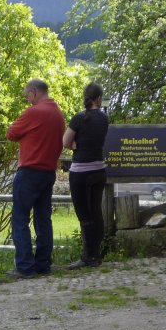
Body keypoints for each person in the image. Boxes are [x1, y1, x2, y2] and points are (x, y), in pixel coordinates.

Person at [6, 79, 65, 278]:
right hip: (48, 173)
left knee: (20, 218)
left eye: (27, 95)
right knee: (43, 219)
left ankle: (25, 266)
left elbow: (11, 133)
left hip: (29, 171)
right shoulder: (58, 114)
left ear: (33, 92)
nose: (27, 99)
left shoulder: (33, 112)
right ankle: (43, 264)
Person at [62, 82, 109, 269]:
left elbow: (65, 142)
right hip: (99, 169)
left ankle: (87, 257)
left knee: (84, 215)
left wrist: (76, 145)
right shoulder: (105, 118)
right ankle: (96, 255)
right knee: (97, 212)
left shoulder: (78, 118)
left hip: (81, 171)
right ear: (99, 98)